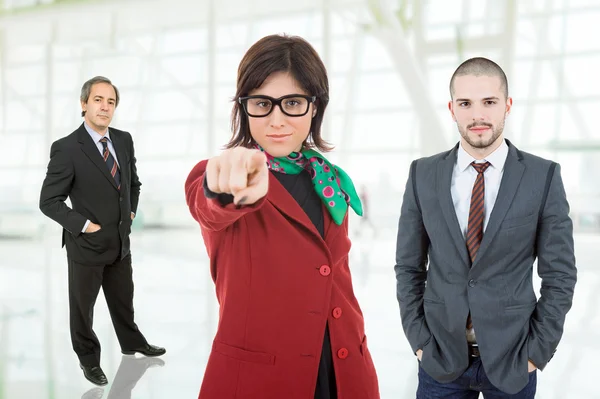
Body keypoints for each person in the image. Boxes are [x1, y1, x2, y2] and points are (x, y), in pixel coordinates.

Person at [184, 34, 380, 399]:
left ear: (314, 107)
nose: (276, 120)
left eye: (292, 103)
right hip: (263, 381)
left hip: (343, 370)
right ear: (244, 108)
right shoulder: (230, 174)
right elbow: (209, 204)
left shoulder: (329, 181)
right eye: (262, 103)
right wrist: (227, 187)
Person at [394, 57, 577, 398]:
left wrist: (537, 352)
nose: (477, 115)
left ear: (507, 105)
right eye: (465, 103)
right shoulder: (422, 174)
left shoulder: (543, 176)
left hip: (514, 359)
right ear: (452, 108)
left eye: (489, 102)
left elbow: (560, 274)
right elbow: (408, 267)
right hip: (440, 361)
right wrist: (420, 342)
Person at [39, 76, 165, 387]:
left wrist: (131, 212)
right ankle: (88, 359)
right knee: (83, 309)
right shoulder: (67, 148)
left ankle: (131, 342)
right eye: (98, 100)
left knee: (124, 299)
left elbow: (133, 183)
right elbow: (48, 201)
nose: (104, 107)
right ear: (84, 104)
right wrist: (84, 225)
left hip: (120, 241)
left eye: (110, 102)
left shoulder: (123, 140)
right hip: (87, 244)